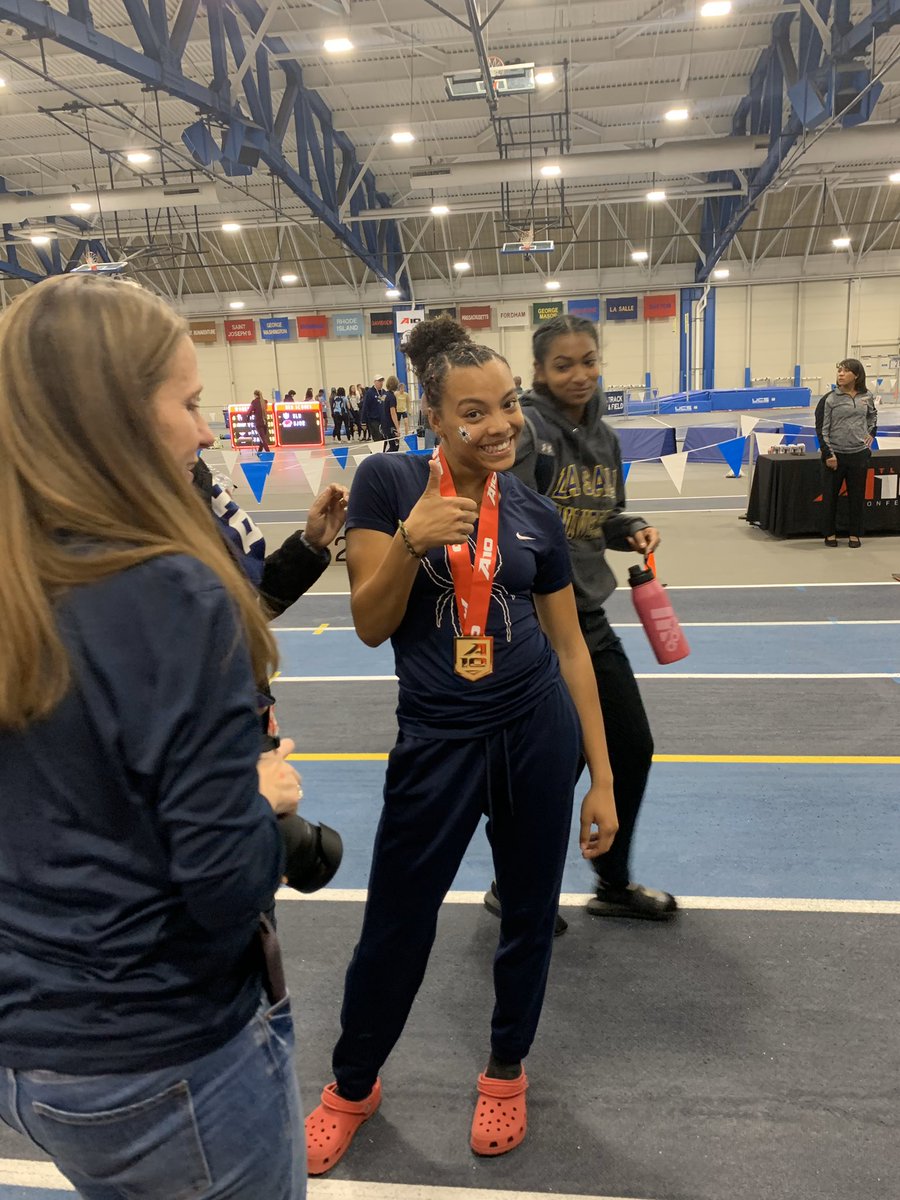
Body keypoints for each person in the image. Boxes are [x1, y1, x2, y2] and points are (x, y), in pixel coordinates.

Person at [0, 274, 306, 1199]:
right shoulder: (170, 591)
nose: (207, 431)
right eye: (189, 403)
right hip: (164, 1051)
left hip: (33, 1053)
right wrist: (261, 799)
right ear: (117, 418)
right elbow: (222, 884)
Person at [303, 316, 617, 1173]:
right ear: (432, 418)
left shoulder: (533, 509)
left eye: (510, 404)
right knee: (395, 925)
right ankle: (353, 1083)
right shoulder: (387, 482)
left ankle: (506, 1070)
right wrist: (412, 539)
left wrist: (603, 778)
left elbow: (569, 647)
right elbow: (371, 624)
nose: (501, 425)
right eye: (473, 411)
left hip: (535, 731)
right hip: (437, 740)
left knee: (527, 914)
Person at [483, 314, 676, 928]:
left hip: (587, 612)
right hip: (531, 622)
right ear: (538, 372)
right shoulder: (527, 431)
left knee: (630, 745)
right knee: (552, 762)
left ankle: (612, 883)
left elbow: (602, 515)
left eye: (588, 361)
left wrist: (628, 528)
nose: (579, 374)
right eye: (563, 364)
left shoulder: (608, 440)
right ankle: (511, 887)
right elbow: (506, 520)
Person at [819, 359, 877, 548]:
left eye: (845, 371)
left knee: (857, 497)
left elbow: (872, 416)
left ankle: (854, 533)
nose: (840, 374)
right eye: (839, 371)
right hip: (835, 456)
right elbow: (822, 429)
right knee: (830, 498)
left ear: (857, 375)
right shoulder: (830, 399)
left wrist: (870, 435)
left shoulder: (867, 396)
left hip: (858, 455)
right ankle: (830, 533)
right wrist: (829, 454)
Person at [361, 373, 386, 442]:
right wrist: (363, 421)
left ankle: (381, 452)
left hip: (383, 420)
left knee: (385, 439)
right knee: (378, 439)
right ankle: (376, 451)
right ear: (375, 382)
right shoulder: (370, 393)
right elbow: (365, 407)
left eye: (382, 381)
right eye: (379, 381)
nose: (381, 383)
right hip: (374, 420)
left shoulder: (384, 392)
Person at [381, 374, 401, 452]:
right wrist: (398, 428)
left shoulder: (384, 395)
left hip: (383, 424)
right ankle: (384, 460)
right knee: (394, 447)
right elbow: (393, 412)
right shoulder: (392, 397)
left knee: (386, 445)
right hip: (390, 426)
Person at [247, 387, 270, 452]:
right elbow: (263, 410)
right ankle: (259, 451)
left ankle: (268, 451)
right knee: (262, 438)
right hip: (265, 422)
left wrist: (248, 418)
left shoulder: (254, 402)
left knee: (262, 438)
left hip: (258, 422)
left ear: (255, 395)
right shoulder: (265, 402)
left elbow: (249, 411)